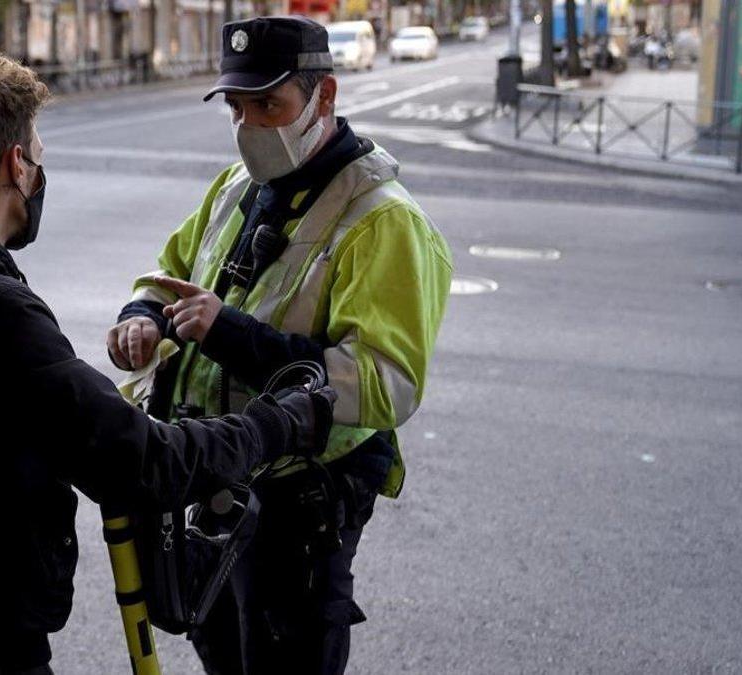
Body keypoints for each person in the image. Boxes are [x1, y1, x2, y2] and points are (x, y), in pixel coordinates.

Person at [0, 54, 336, 674]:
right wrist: (277, 426)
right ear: (15, 165)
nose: (40, 171)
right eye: (37, 155)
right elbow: (143, 462)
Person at [108, 16, 453, 675]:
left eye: (270, 105)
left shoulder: (384, 218)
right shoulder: (237, 187)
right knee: (223, 649)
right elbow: (170, 269)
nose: (250, 126)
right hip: (219, 477)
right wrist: (142, 318)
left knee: (285, 654)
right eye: (238, 108)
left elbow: (386, 382)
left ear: (325, 98)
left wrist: (227, 332)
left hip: (302, 503)